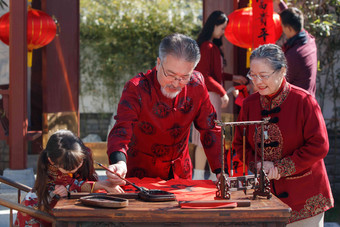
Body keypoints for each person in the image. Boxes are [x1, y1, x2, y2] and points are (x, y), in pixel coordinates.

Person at [233, 44, 333, 226]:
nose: (258, 82)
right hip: (265, 195)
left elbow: (319, 145)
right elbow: (239, 144)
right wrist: (257, 164)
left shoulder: (304, 101)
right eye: (253, 75)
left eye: (263, 76)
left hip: (305, 195)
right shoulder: (249, 104)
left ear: (282, 71)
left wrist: (280, 168)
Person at [106, 33, 223, 185]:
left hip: (180, 173)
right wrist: (119, 162)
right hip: (141, 175)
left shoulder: (196, 84)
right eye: (171, 74)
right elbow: (122, 129)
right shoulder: (137, 88)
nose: (176, 83)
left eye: (184, 77)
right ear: (158, 62)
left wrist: (221, 171)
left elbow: (210, 128)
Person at [15, 130, 120, 227]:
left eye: (78, 164)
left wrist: (102, 184)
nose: (74, 170)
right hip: (43, 202)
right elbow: (69, 184)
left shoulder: (84, 153)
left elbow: (83, 180)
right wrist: (99, 185)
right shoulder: (49, 164)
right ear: (52, 161)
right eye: (68, 169)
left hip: (69, 199)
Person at [191, 10, 247, 180]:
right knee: (207, 136)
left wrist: (232, 78)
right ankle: (204, 175)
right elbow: (204, 76)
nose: (223, 32)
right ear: (214, 26)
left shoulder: (208, 46)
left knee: (210, 136)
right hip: (209, 96)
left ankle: (206, 175)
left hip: (209, 96)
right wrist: (223, 92)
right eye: (222, 28)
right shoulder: (207, 46)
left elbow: (214, 74)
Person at [275, 0, 318, 97]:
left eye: (282, 26)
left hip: (298, 107)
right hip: (308, 100)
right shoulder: (309, 39)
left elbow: (276, 83)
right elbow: (292, 19)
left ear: (289, 28)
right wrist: (280, 3)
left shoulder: (293, 56)